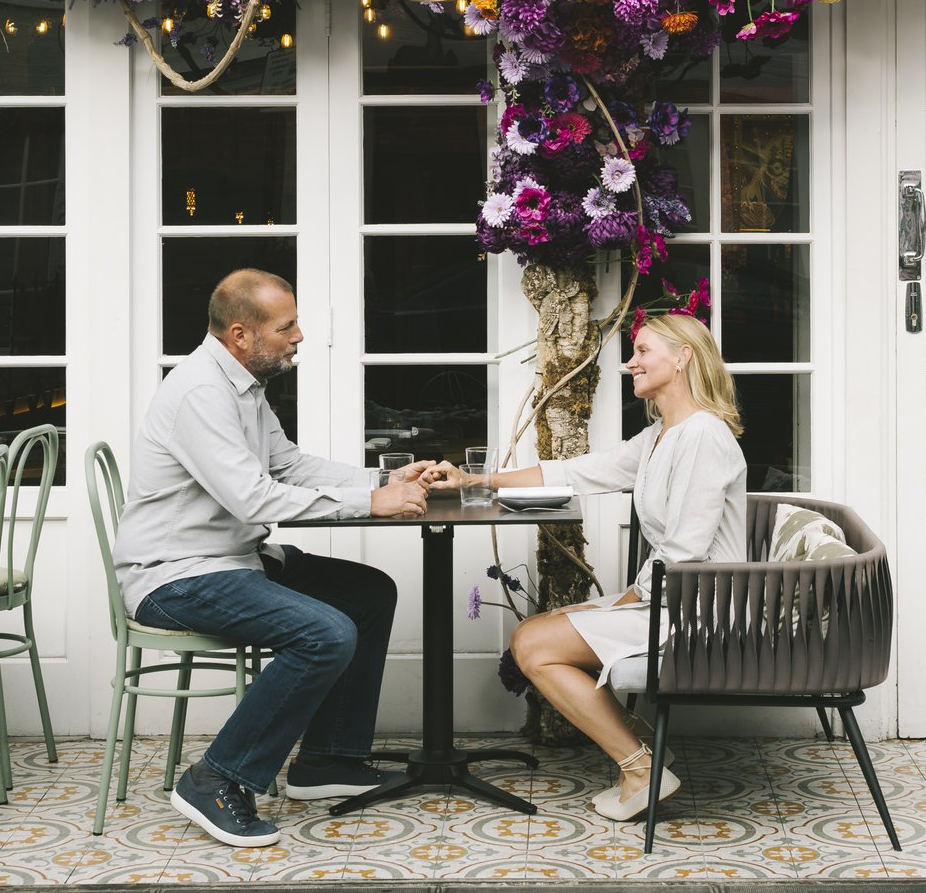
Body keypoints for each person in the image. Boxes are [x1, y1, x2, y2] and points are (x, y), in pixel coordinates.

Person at [114, 268, 431, 847]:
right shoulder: (201, 392)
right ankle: (216, 778)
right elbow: (254, 498)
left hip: (230, 559)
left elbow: (288, 465)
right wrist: (371, 504)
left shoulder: (242, 385)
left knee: (368, 592)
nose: (299, 336)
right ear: (241, 334)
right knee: (325, 633)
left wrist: (383, 480)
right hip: (176, 576)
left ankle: (328, 759)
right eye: (287, 326)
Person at [425, 313, 747, 821]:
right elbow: (577, 472)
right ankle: (643, 751)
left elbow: (684, 554)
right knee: (533, 633)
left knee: (534, 645)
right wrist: (475, 480)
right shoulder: (662, 434)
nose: (630, 362)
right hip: (673, 597)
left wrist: (620, 603)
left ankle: (641, 767)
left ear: (683, 356)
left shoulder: (703, 436)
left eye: (643, 351)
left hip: (699, 610)